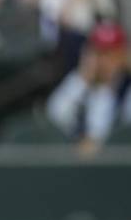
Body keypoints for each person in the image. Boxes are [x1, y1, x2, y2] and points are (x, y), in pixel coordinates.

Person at [47, 22, 131, 154]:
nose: (103, 60)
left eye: (110, 53)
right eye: (98, 52)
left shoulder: (126, 88)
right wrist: (83, 78)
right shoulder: (80, 83)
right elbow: (54, 115)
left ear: (122, 56)